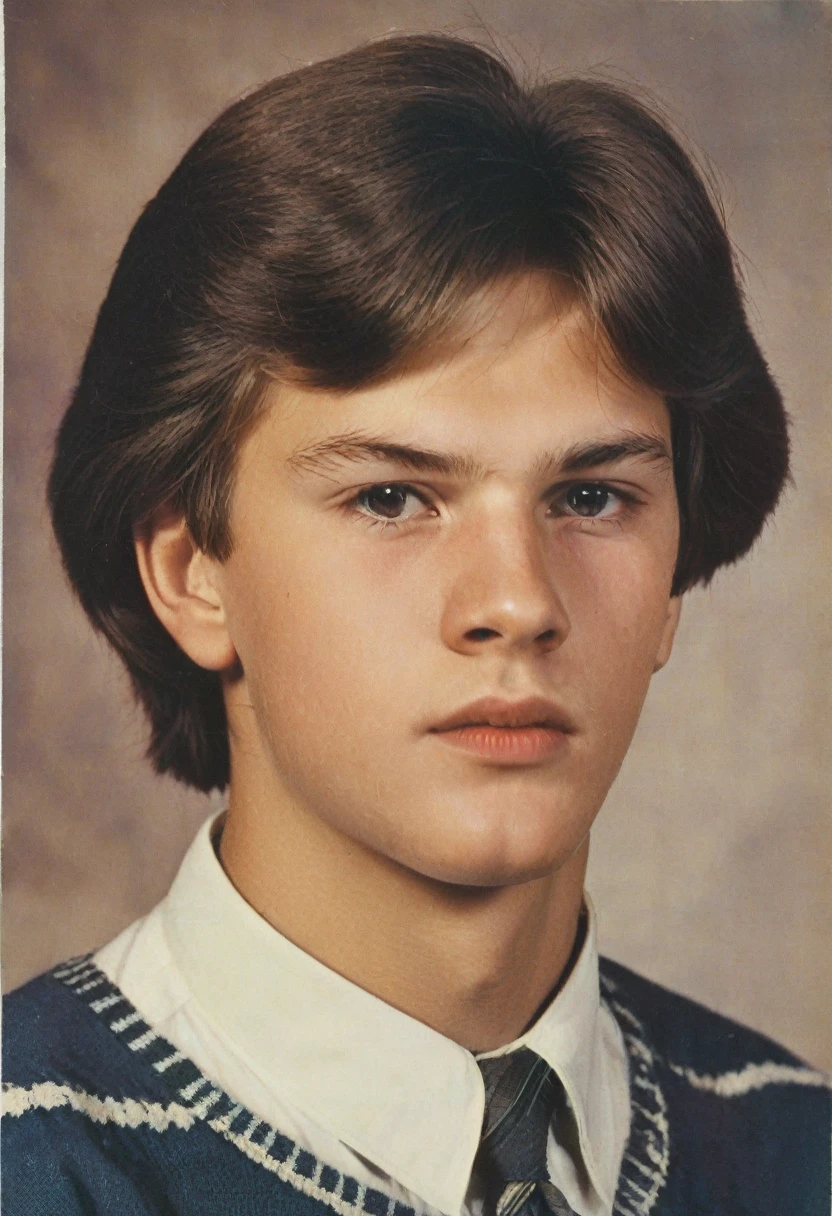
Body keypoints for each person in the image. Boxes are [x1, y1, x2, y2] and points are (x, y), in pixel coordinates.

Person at [2, 32, 828, 1216]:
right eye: (390, 497)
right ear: (192, 573)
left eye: (591, 497)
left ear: (672, 586)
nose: (517, 603)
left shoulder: (797, 1146)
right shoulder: (32, 1163)